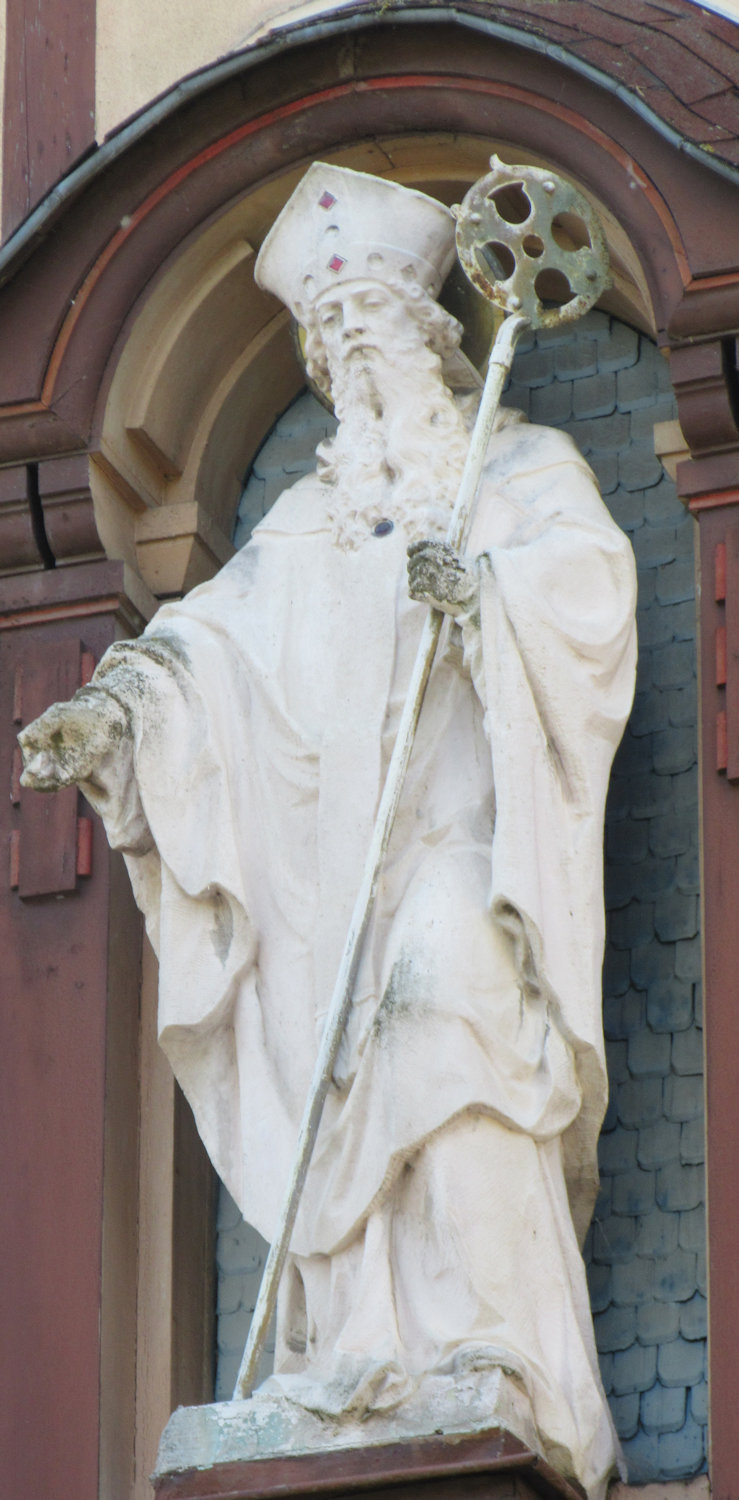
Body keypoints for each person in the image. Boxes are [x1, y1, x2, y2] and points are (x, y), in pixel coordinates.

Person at [20, 163, 637, 1498]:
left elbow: (588, 604)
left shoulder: (514, 468)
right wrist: (123, 715)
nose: (359, 374)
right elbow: (210, 653)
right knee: (339, 1051)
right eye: (335, 355)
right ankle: (359, 1350)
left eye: (378, 342)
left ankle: (506, 1351)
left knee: (445, 998)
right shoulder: (304, 520)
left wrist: (478, 591)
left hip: (465, 851)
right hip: (326, 878)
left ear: (433, 347)